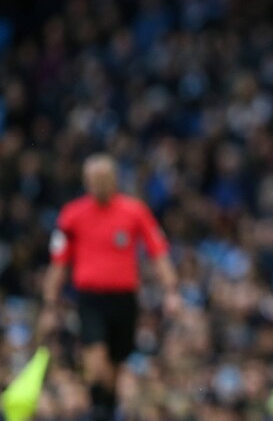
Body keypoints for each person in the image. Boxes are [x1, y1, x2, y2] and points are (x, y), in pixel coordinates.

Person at [37, 153, 181, 421]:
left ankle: (104, 411)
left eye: (103, 178)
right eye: (93, 179)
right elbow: (59, 263)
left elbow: (158, 251)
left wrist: (171, 290)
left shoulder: (134, 211)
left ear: (114, 179)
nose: (99, 184)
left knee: (115, 367)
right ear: (86, 181)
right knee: (97, 362)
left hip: (124, 299)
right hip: (91, 298)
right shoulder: (73, 215)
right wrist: (49, 304)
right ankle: (99, 410)